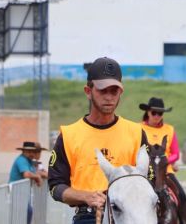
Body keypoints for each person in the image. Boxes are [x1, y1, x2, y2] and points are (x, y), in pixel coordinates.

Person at [48, 57, 146, 224]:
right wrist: (86, 196)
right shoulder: (69, 134)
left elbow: (149, 180)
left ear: (121, 92)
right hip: (87, 216)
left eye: (114, 91)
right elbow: (55, 187)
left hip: (128, 217)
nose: (109, 97)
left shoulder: (136, 132)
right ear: (88, 91)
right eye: (102, 90)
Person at [139, 97, 186, 224]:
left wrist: (164, 161)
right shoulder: (137, 128)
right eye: (153, 112)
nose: (156, 116)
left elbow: (176, 154)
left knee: (182, 196)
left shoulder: (169, 129)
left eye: (160, 113)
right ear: (147, 112)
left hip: (165, 170)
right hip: (145, 171)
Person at [9, 141, 44, 224]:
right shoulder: (22, 160)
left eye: (33, 151)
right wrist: (37, 177)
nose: (31, 154)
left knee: (26, 213)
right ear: (23, 151)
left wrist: (38, 175)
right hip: (16, 192)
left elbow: (36, 171)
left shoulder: (28, 161)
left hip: (22, 192)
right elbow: (26, 174)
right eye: (28, 151)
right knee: (25, 212)